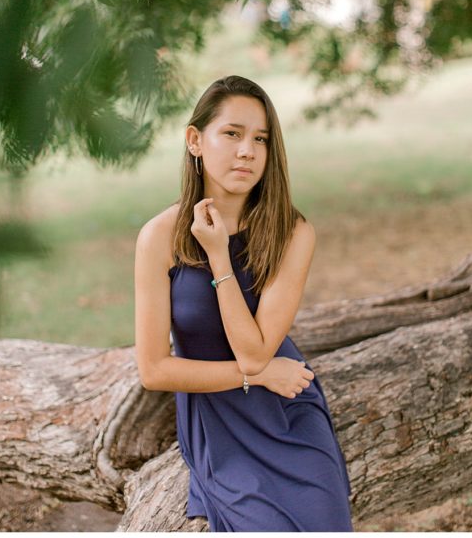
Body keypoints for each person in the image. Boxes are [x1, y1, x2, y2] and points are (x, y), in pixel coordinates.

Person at [134, 75, 353, 531]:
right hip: (219, 421)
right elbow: (154, 370)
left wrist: (218, 256)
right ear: (195, 140)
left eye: (260, 139)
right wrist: (257, 374)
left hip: (287, 413)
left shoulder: (293, 233)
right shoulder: (160, 238)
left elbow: (255, 350)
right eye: (231, 134)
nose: (247, 151)